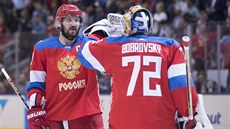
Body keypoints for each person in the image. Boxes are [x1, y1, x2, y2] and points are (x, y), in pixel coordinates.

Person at [78, 5, 213, 129]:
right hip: (161, 123)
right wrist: (190, 118)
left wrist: (100, 30)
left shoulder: (114, 45)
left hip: (122, 123)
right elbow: (182, 86)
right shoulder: (170, 46)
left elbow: (84, 53)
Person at [26, 4, 104, 129]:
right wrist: (35, 107)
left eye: (76, 20)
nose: (73, 23)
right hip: (55, 118)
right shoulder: (42, 48)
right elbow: (36, 84)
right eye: (68, 19)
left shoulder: (89, 45)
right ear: (58, 23)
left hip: (87, 117)